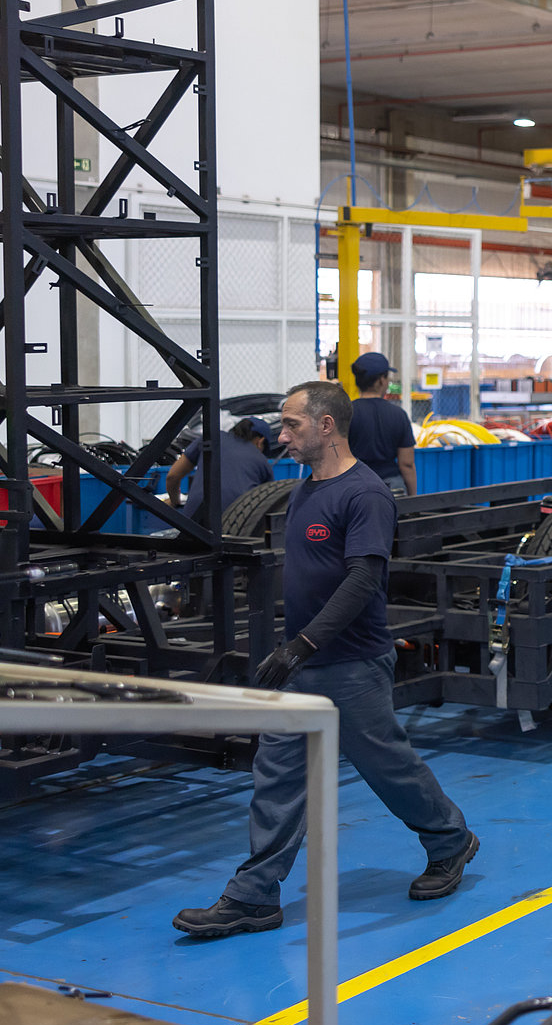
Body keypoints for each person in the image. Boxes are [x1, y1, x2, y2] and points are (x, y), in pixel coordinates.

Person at [173, 381, 477, 938]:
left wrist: (303, 644)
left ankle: (451, 839)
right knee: (278, 776)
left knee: (386, 766)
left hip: (352, 665)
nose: (280, 434)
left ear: (327, 426)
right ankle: (254, 896)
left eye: (291, 425)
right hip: (304, 665)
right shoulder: (305, 488)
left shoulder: (365, 495)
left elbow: (364, 580)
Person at [165, 417, 274, 523]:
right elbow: (268, 504)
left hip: (193, 519)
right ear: (260, 442)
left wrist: (174, 502)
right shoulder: (263, 462)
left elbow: (172, 476)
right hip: (235, 522)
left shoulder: (212, 438)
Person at [347, 351, 417, 496]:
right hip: (390, 486)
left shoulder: (345, 413)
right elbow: (407, 464)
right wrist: (413, 499)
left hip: (354, 485)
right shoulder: (398, 415)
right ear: (381, 380)